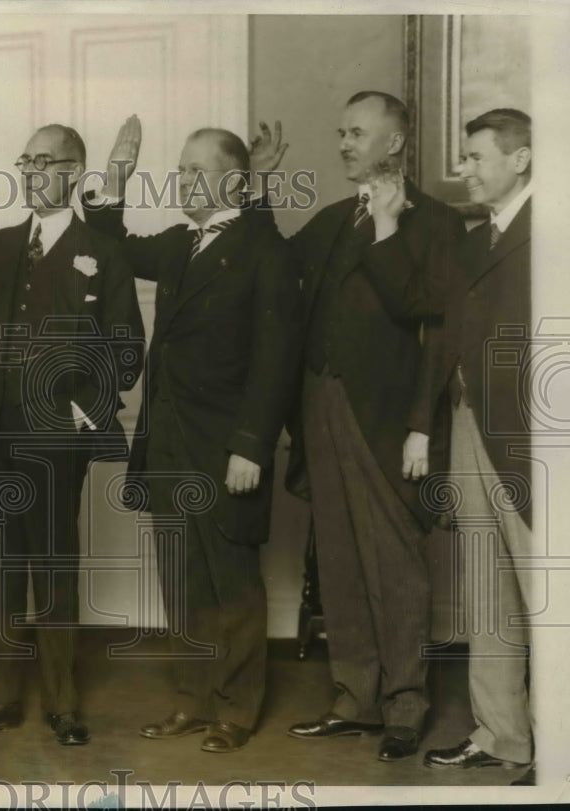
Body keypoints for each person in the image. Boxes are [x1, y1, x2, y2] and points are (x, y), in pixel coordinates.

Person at [0, 124, 145, 745]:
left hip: (54, 440)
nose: (30, 170)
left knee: (52, 568)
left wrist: (87, 411)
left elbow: (127, 346)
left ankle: (63, 705)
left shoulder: (102, 248)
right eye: (26, 160)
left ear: (75, 172)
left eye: (45, 161)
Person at [83, 118, 302, 753]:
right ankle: (193, 700)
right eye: (178, 170)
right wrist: (116, 177)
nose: (182, 182)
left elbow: (275, 359)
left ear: (235, 181)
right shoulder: (181, 242)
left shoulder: (267, 248)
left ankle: (235, 708)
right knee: (182, 579)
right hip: (170, 442)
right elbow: (112, 243)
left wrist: (251, 445)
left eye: (195, 172)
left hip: (226, 447)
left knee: (231, 582)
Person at [271, 91, 465, 761]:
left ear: (393, 143)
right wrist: (261, 185)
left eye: (357, 133)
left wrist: (421, 427)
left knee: (395, 563)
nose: (345, 143)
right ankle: (355, 698)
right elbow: (272, 264)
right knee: (342, 557)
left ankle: (405, 703)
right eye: (341, 132)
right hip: (321, 405)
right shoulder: (330, 220)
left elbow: (434, 323)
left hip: (387, 419)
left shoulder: (437, 223)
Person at [421, 109, 534, 781]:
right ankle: (501, 735)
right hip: (468, 422)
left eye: (476, 157)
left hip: (532, 431)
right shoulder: (472, 240)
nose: (465, 169)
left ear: (520, 160)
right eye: (462, 158)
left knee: (544, 590)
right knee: (488, 588)